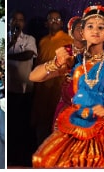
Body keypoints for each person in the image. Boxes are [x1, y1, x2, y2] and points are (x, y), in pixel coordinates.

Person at [29, 5, 104, 168]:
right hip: (77, 125)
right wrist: (54, 64)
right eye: (90, 26)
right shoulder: (74, 61)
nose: (95, 30)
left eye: (101, 27)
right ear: (82, 32)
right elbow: (34, 76)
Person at [31, 10, 74, 145]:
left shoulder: (68, 40)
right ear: (46, 23)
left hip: (59, 86)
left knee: (58, 118)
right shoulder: (42, 42)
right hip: (43, 87)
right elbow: (38, 64)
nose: (55, 21)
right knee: (42, 119)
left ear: (62, 23)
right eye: (51, 19)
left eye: (58, 19)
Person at [7, 11, 37, 95]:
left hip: (24, 87)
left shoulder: (29, 39)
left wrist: (7, 56)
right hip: (8, 86)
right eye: (15, 19)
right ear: (9, 22)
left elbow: (28, 55)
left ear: (24, 23)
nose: (17, 22)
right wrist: (10, 44)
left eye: (20, 20)